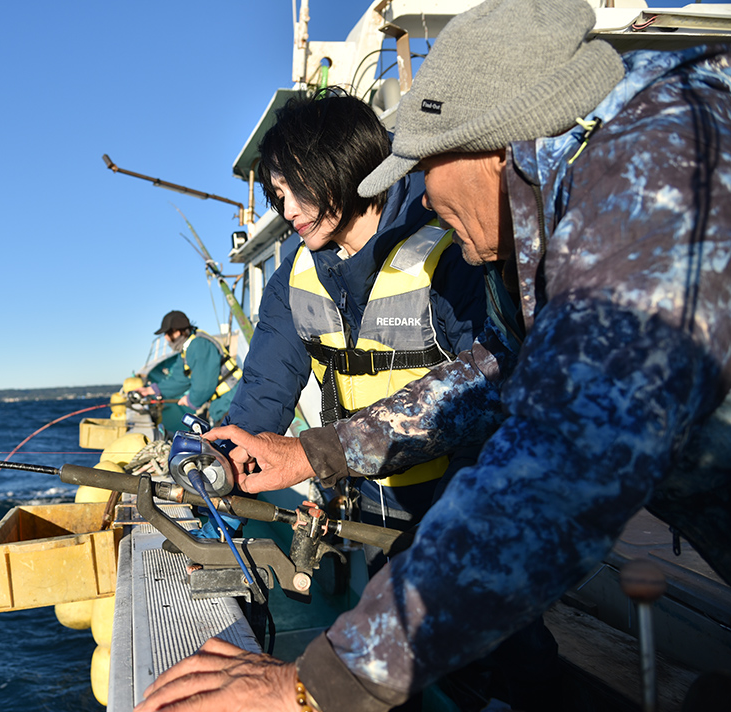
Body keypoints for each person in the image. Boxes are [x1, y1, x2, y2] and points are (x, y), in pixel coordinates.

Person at [134, 1, 731, 711]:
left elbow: (559, 469)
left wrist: (315, 683)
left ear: (489, 144)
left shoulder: (655, 179)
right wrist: (314, 454)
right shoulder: (549, 208)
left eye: (418, 166)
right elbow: (489, 377)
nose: (417, 196)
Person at [221, 89, 486, 548]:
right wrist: (222, 465)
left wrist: (454, 521)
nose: (288, 211)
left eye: (295, 189)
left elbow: (491, 390)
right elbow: (265, 388)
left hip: (455, 494)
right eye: (279, 196)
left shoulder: (451, 248)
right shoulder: (292, 280)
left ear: (341, 162)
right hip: (356, 490)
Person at [140, 310, 240, 433]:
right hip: (222, 404)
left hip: (232, 403)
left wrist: (190, 400)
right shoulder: (187, 348)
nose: (165, 337)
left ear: (177, 332)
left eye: (167, 333)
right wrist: (150, 390)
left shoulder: (199, 345)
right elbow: (179, 379)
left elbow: (204, 386)